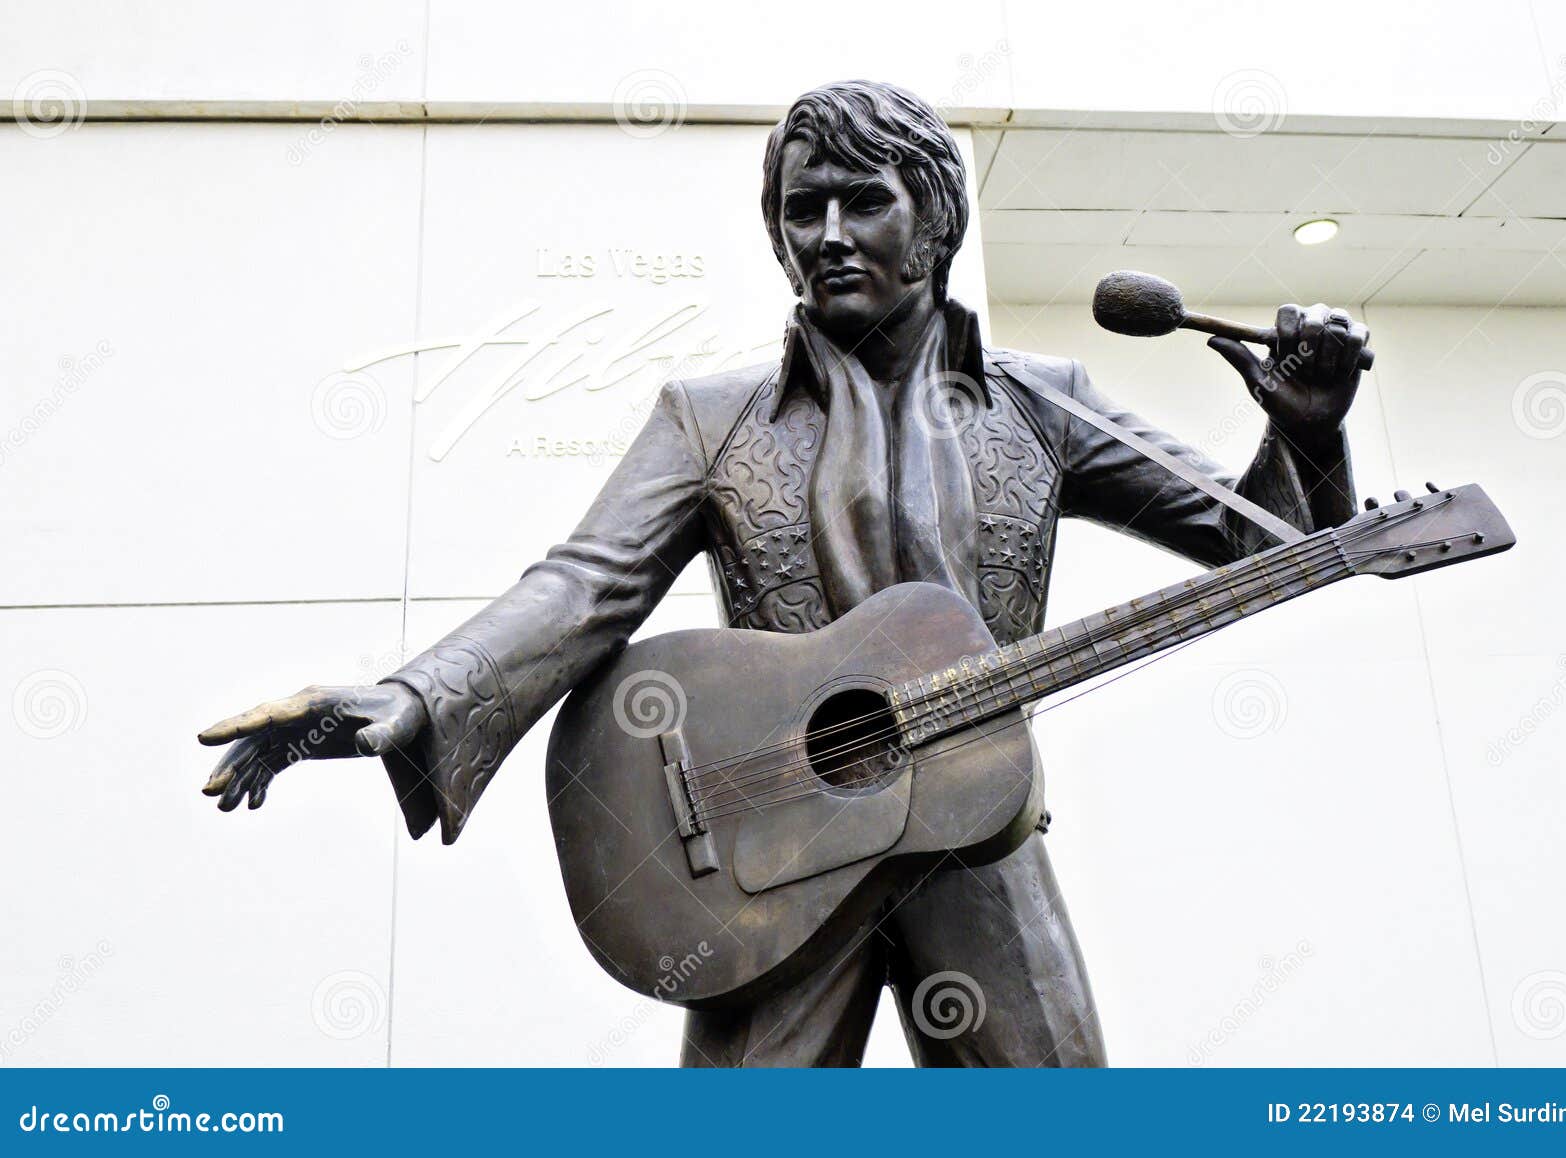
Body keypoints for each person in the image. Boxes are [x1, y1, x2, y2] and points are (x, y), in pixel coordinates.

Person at [200, 80, 1366, 1066]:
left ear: (937, 220)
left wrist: (1308, 436)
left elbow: (1257, 551)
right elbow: (582, 587)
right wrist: (405, 696)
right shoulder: (710, 419)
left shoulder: (1039, 403)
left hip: (978, 844)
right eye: (801, 208)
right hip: (767, 863)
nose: (828, 232)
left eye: (865, 200)